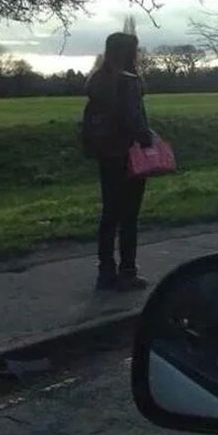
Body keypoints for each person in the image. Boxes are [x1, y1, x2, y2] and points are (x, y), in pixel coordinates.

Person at [82, 31, 154, 291]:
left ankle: (105, 271)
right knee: (130, 216)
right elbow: (132, 118)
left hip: (105, 152)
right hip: (127, 153)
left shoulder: (98, 80)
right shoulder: (128, 82)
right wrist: (148, 139)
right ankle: (128, 270)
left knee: (109, 214)